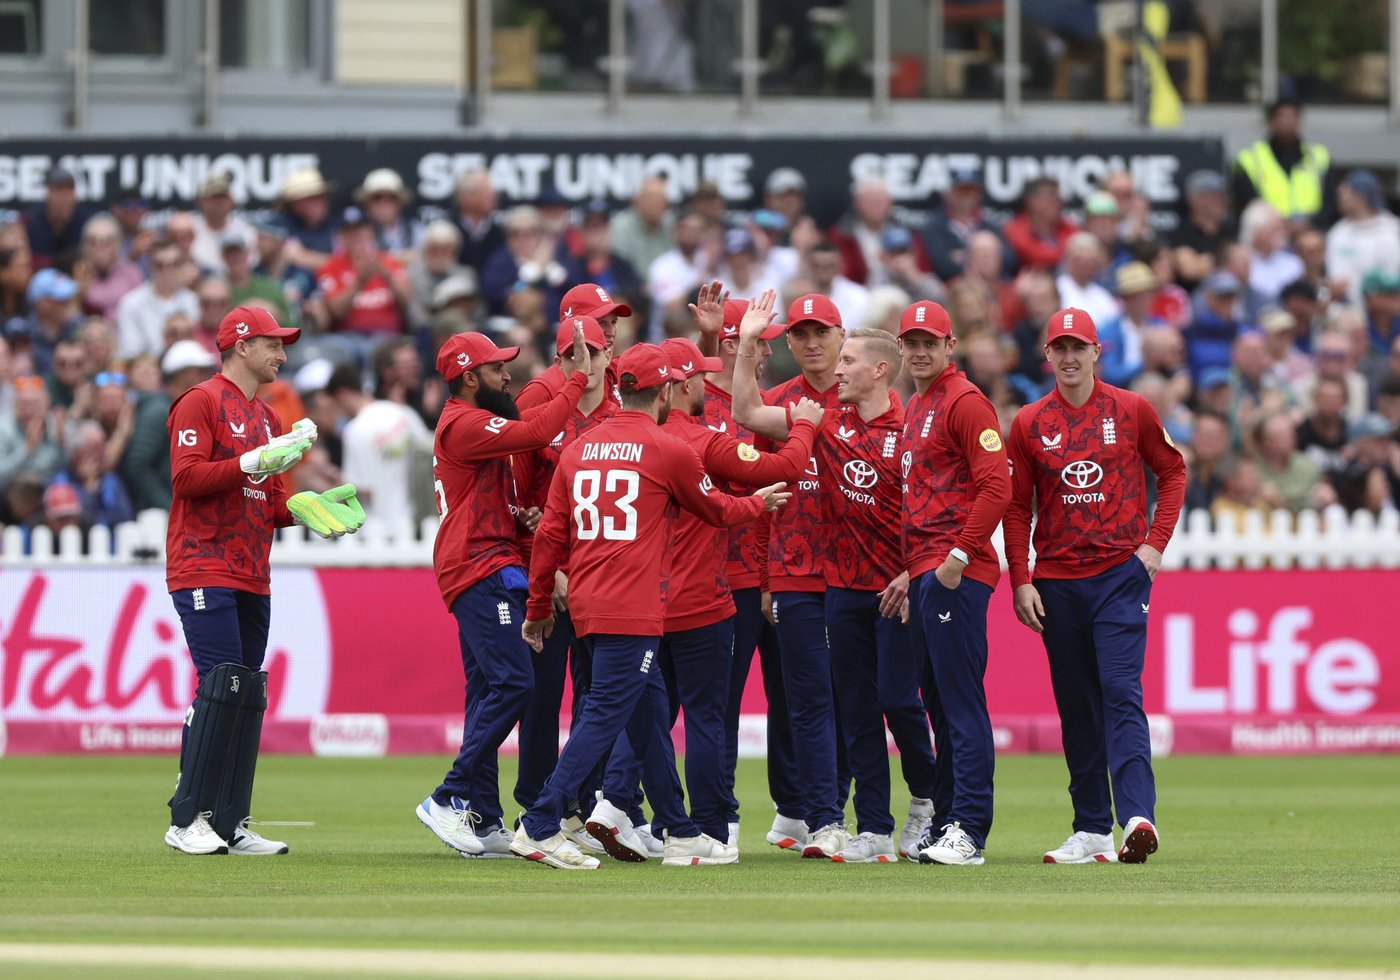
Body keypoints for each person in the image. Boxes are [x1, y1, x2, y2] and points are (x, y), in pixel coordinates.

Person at [515, 343, 790, 869]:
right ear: (666, 392)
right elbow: (715, 508)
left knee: (646, 717)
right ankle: (540, 822)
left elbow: (551, 534)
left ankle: (681, 832)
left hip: (590, 604)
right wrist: (761, 503)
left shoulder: (579, 449)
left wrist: (537, 605)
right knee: (605, 713)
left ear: (619, 388)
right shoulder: (666, 448)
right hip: (635, 605)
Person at [587, 336, 821, 860]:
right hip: (702, 603)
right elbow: (781, 469)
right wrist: (805, 424)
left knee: (646, 712)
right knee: (706, 719)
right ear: (682, 385)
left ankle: (615, 802)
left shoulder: (625, 441)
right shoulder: (699, 441)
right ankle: (711, 828)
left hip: (644, 604)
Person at [737, 315, 941, 863]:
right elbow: (748, 414)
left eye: (848, 360)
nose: (835, 368)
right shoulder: (829, 420)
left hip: (897, 586)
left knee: (897, 701)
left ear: (880, 370)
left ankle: (927, 796)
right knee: (855, 710)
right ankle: (873, 826)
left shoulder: (914, 429)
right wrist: (746, 346)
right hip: (844, 587)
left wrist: (911, 570)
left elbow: (934, 510)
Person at [164, 304, 363, 855]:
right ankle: (188, 819)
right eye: (274, 344)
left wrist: (304, 507)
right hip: (202, 561)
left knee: (246, 693)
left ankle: (230, 820)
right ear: (241, 346)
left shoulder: (268, 417)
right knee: (221, 685)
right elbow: (186, 480)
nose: (282, 354)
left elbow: (268, 501)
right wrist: (254, 461)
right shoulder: (199, 401)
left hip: (252, 570)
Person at [1003, 306, 1186, 865]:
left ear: (1096, 352)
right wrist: (1021, 577)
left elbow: (1172, 469)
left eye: (1077, 347)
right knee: (1077, 706)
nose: (1068, 357)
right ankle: (1090, 830)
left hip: (1117, 577)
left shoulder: (1130, 409)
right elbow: (1015, 506)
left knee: (1120, 692)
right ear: (1047, 355)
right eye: (1058, 348)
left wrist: (1153, 545)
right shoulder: (1029, 422)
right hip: (1057, 581)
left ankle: (1135, 815)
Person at [417, 324, 593, 859]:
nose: (507, 374)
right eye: (496, 368)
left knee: (487, 691)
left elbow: (480, 496)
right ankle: (447, 796)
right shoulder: (463, 422)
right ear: (470, 377)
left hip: (483, 559)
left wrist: (519, 517)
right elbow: (539, 431)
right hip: (477, 566)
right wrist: (576, 376)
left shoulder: (470, 423)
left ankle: (481, 812)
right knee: (517, 683)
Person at [730, 290, 850, 858]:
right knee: (805, 700)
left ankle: (864, 812)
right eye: (799, 334)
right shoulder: (777, 402)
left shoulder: (870, 400)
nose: (809, 342)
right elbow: (761, 496)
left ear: (841, 335)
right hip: (797, 571)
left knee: (858, 697)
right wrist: (762, 577)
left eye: (819, 332)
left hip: (863, 574)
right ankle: (818, 815)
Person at [895, 299, 1011, 867]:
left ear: (949, 347)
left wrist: (958, 557)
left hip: (954, 571)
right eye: (910, 343)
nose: (919, 351)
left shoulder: (964, 401)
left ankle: (970, 829)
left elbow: (997, 486)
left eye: (929, 343)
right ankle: (946, 820)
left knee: (960, 703)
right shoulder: (919, 403)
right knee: (938, 703)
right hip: (928, 568)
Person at [691, 289, 801, 846]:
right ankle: (722, 816)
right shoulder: (693, 406)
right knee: (721, 706)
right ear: (735, 345)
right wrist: (710, 341)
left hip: (778, 572)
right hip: (722, 579)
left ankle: (795, 808)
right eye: (760, 344)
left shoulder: (768, 403)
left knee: (792, 697)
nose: (768, 354)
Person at [507, 316, 615, 838]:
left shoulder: (622, 418)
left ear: (608, 357)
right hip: (551, 581)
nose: (587, 362)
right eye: (576, 354)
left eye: (595, 351)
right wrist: (546, 576)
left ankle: (585, 805)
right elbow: (517, 502)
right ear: (562, 360)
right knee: (543, 696)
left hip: (602, 581)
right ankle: (534, 804)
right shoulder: (546, 413)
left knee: (598, 698)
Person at [326, 362, 434, 533]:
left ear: (342, 395)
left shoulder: (355, 430)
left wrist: (338, 483)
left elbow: (362, 489)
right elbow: (429, 454)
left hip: (383, 527)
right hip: (422, 519)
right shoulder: (403, 411)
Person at [1233, 97, 1333, 228]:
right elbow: (1245, 202)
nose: (1288, 122)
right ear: (1270, 121)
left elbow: (1331, 201)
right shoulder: (1250, 159)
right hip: (1268, 235)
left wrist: (1309, 223)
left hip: (1311, 233)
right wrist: (1281, 225)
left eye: (1293, 117)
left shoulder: (1319, 156)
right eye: (1282, 117)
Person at [1324, 170, 1400, 307]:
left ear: (1360, 196)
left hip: (1384, 314)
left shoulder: (1393, 230)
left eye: (1343, 193)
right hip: (1344, 314)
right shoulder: (1337, 232)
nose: (1339, 198)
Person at [116, 242, 199, 361]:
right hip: (149, 370)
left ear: (181, 266)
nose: (167, 271)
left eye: (174, 264)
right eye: (160, 265)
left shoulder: (194, 301)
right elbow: (130, 352)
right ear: (150, 266)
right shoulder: (131, 303)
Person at [1003, 177, 1077, 271]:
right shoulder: (1014, 229)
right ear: (1032, 201)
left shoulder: (1069, 228)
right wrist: (1066, 255)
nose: (1058, 200)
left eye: (1058, 195)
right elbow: (1032, 254)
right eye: (1051, 195)